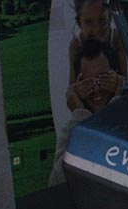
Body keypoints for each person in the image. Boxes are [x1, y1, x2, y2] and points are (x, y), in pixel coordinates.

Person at [50, 39, 122, 184]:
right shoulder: (70, 130)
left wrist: (117, 104)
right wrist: (80, 116)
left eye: (103, 79)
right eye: (88, 83)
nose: (96, 89)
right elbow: (57, 180)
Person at [68, 0, 128, 85]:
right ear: (79, 23)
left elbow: (127, 81)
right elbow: (72, 89)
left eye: (101, 19)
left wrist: (117, 82)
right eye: (88, 22)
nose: (96, 28)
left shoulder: (116, 39)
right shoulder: (76, 46)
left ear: (110, 17)